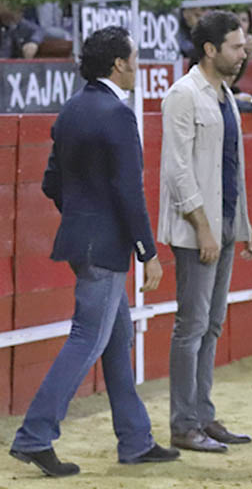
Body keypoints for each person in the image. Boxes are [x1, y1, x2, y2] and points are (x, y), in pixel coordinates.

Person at [9, 26, 180, 477]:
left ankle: (136, 440)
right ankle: (34, 436)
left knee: (116, 340)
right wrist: (147, 251)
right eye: (135, 58)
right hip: (104, 247)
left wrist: (82, 217)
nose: (138, 65)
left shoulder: (72, 109)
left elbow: (51, 183)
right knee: (87, 338)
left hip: (79, 240)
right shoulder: (117, 114)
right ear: (119, 64)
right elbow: (129, 191)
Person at [158, 10, 252, 453]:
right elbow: (177, 170)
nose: (243, 54)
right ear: (210, 49)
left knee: (212, 324)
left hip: (224, 224)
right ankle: (184, 424)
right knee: (192, 325)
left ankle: (201, 414)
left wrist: (243, 224)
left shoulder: (225, 95)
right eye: (235, 47)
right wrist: (203, 228)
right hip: (197, 228)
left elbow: (231, 166)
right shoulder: (184, 94)